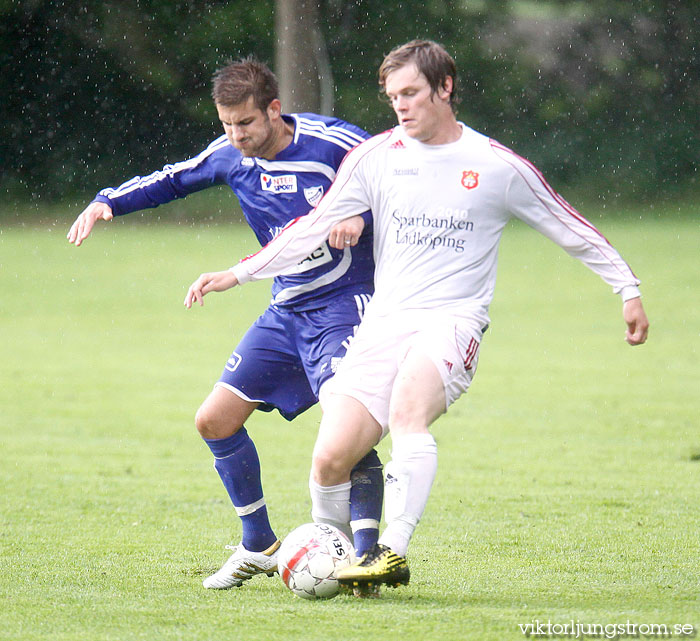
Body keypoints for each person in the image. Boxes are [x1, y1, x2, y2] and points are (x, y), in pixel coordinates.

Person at [184, 40, 650, 590]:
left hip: (453, 321)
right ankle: (334, 564)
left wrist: (627, 287)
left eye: (410, 93)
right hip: (385, 320)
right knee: (331, 457)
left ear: (444, 88)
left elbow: (566, 225)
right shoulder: (375, 157)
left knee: (408, 411)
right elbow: (309, 228)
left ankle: (390, 551)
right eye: (392, 96)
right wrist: (237, 274)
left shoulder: (496, 166)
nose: (400, 106)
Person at [67, 57, 385, 591]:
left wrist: (360, 214)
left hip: (347, 305)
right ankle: (259, 545)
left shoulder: (335, 144)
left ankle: (366, 557)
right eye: (226, 125)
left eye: (246, 124)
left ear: (274, 110)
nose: (236, 137)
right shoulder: (230, 157)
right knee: (214, 420)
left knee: (344, 435)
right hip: (287, 309)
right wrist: (108, 203)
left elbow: (395, 183)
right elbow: (174, 180)